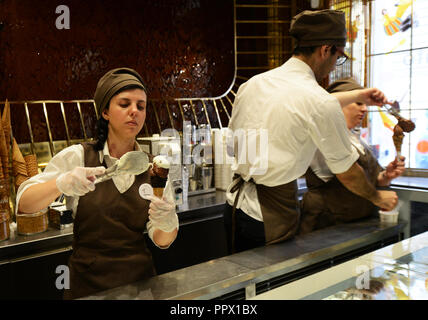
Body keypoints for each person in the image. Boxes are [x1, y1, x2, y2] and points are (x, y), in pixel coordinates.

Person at [224, 9, 398, 254]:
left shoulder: (252, 85)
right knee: (273, 291)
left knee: (243, 290)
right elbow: (347, 172)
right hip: (271, 216)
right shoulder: (317, 99)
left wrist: (359, 95)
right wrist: (378, 198)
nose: (334, 66)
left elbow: (232, 146)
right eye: (338, 57)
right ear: (325, 50)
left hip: (234, 208)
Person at [16, 67, 179, 299]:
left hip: (140, 287)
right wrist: (61, 183)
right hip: (87, 288)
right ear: (105, 111)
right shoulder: (77, 157)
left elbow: (163, 241)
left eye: (140, 106)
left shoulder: (155, 169)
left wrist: (166, 220)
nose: (134, 111)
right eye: (124, 104)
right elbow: (24, 204)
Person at [299, 78, 406, 235]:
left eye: (365, 104)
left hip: (357, 222)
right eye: (358, 103)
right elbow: (349, 175)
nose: (364, 109)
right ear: (338, 105)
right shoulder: (323, 136)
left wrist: (385, 176)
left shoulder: (355, 137)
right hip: (327, 225)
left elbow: (369, 177)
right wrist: (378, 197)